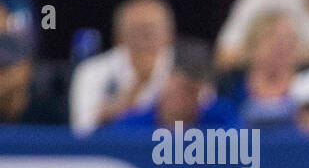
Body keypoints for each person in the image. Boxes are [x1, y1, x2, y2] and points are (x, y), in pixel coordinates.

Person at [68, 0, 174, 135]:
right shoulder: (91, 71)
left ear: (170, 34)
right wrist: (138, 86)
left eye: (151, 31)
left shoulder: (185, 69)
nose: (145, 40)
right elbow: (83, 130)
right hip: (111, 151)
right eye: (137, 31)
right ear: (118, 36)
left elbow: (201, 121)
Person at [100, 38, 238, 131]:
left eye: (190, 91)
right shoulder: (132, 126)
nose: (182, 98)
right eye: (177, 88)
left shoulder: (221, 121)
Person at [227, 10, 299, 128]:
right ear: (252, 45)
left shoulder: (307, 88)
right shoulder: (230, 86)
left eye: (287, 40)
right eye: (272, 38)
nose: (281, 46)